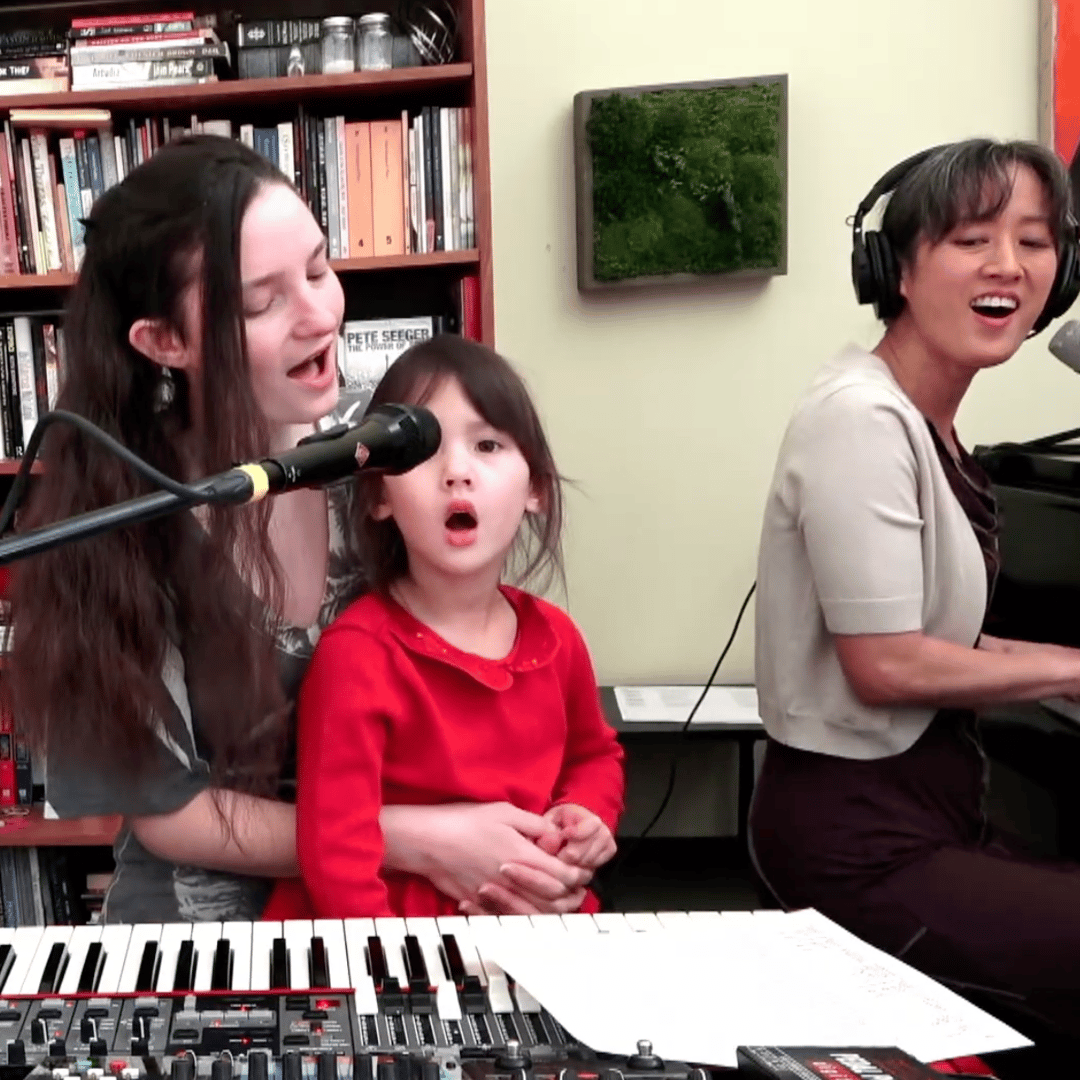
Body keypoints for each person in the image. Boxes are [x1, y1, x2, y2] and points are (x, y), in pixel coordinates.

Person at [7, 136, 590, 923]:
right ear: (164, 342)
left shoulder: (390, 447)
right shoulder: (112, 524)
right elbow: (169, 813)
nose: (320, 315)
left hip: (413, 912)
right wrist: (415, 838)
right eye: (262, 301)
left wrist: (540, 832)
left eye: (318, 269)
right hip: (209, 942)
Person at [750, 138, 1080, 1038]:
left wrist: (1061, 662)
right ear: (895, 267)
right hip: (858, 843)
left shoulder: (927, 424)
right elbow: (887, 665)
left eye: (1037, 240)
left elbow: (946, 637)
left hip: (933, 813)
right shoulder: (861, 419)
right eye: (973, 238)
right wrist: (1066, 671)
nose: (1008, 265)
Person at [264, 334, 625, 919]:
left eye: (487, 444)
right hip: (393, 939)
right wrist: (395, 978)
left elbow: (595, 756)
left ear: (534, 488)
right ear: (379, 496)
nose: (457, 472)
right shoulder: (356, 655)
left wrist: (588, 815)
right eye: (424, 451)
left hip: (531, 923)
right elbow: (334, 852)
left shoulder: (558, 640)